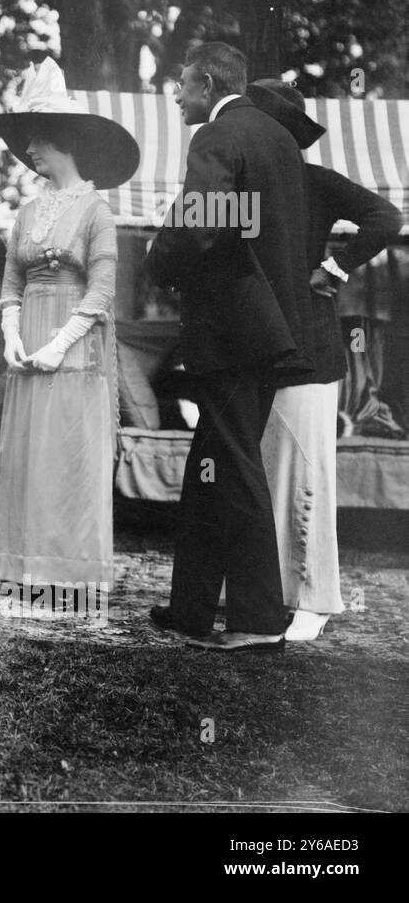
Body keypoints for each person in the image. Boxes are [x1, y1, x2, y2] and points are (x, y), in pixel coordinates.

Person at [147, 42, 316, 652]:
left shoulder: (216, 138)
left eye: (183, 85)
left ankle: (258, 620)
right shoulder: (277, 140)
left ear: (208, 84)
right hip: (268, 333)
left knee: (235, 468)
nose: (176, 96)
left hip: (234, 334)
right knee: (211, 465)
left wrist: (157, 259)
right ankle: (191, 609)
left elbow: (200, 223)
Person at [247, 79, 404, 641]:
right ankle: (270, 590)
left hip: (310, 352)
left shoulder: (316, 183)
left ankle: (314, 598)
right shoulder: (246, 189)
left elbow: (386, 217)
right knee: (265, 474)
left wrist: (335, 269)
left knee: (307, 473)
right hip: (257, 351)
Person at [0, 58, 135, 602]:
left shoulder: (98, 211)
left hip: (72, 346)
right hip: (28, 339)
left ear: (65, 142)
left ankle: (68, 569)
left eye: (39, 139)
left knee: (68, 452)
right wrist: (12, 335)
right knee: (29, 452)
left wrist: (57, 344)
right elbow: (10, 281)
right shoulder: (28, 212)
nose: (30, 150)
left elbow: (101, 291)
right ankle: (22, 564)